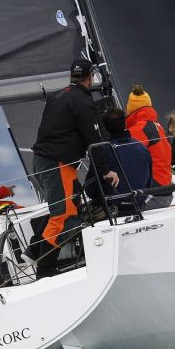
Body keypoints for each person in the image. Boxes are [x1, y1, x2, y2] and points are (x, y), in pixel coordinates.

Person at [29, 59, 118, 277]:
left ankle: (33, 252)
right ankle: (45, 270)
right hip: (56, 164)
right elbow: (93, 140)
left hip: (44, 161)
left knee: (71, 206)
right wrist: (105, 170)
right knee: (64, 217)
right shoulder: (82, 101)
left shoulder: (57, 96)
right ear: (91, 77)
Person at [85, 108, 154, 213]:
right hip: (138, 202)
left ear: (105, 128)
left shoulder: (101, 151)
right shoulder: (142, 148)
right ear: (125, 123)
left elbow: (89, 189)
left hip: (114, 206)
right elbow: (149, 182)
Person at [124, 84, 173, 208]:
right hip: (165, 187)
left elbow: (124, 157)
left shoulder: (139, 129)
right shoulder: (157, 126)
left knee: (118, 207)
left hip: (153, 193)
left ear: (130, 109)